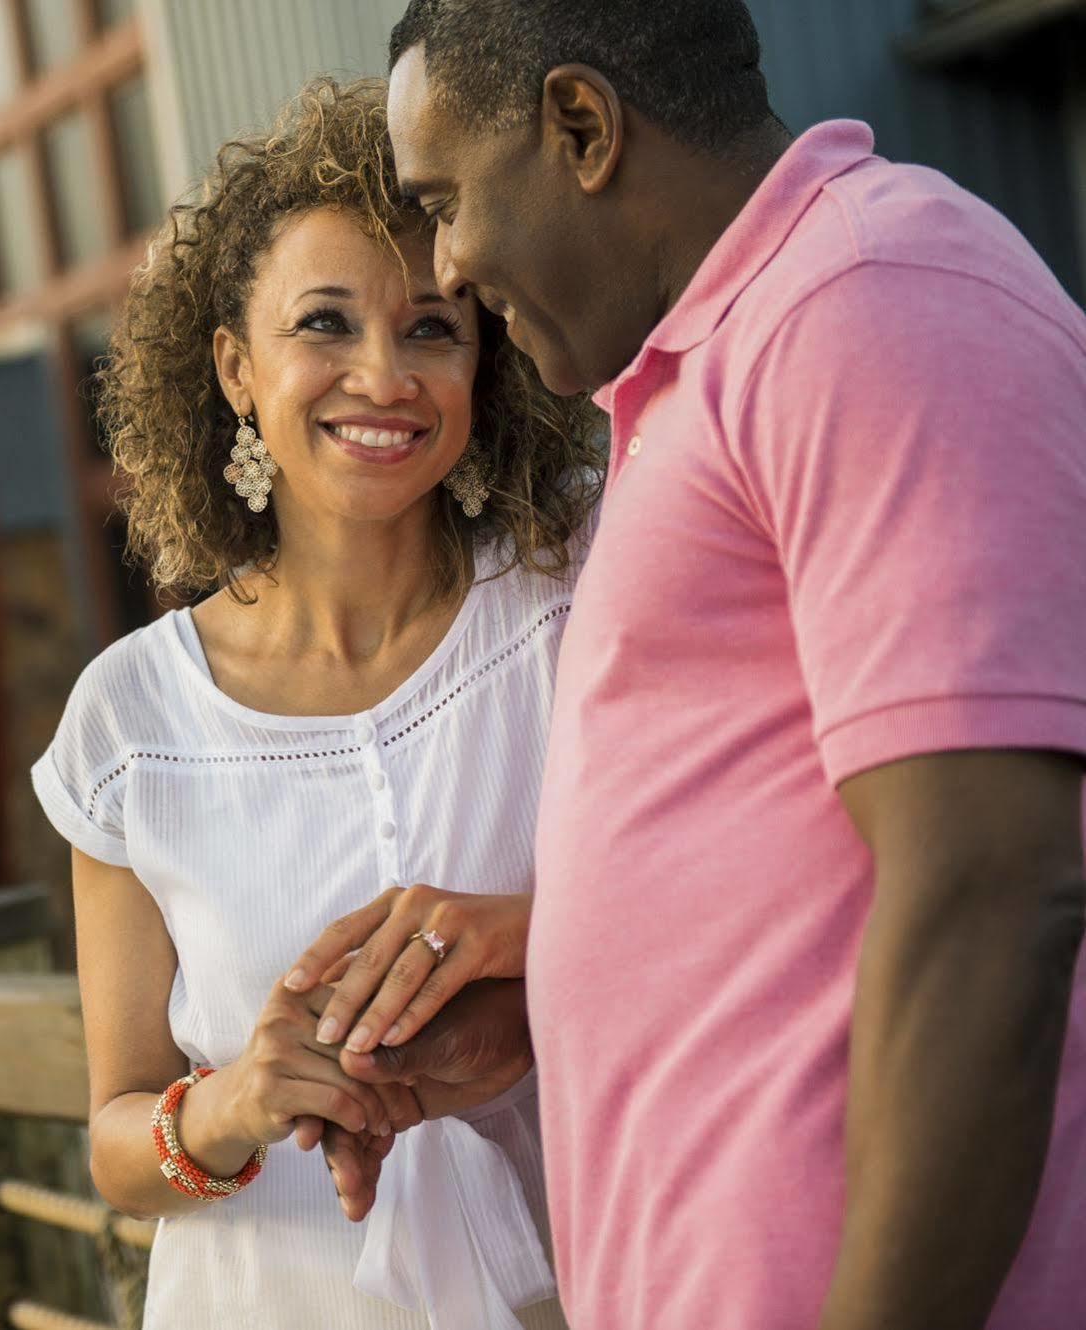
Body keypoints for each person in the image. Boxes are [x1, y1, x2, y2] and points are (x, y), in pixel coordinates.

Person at [296, 3, 1086, 1327]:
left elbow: (991, 886)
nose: (446, 261)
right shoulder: (712, 366)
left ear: (580, 128)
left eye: (443, 200)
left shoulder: (865, 296)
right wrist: (546, 975)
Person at [31, 78, 600, 1329]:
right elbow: (118, 1137)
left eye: (434, 328)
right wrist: (236, 1098)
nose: (382, 376)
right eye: (325, 325)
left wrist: (526, 946)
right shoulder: (128, 723)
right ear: (236, 367)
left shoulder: (578, 602)